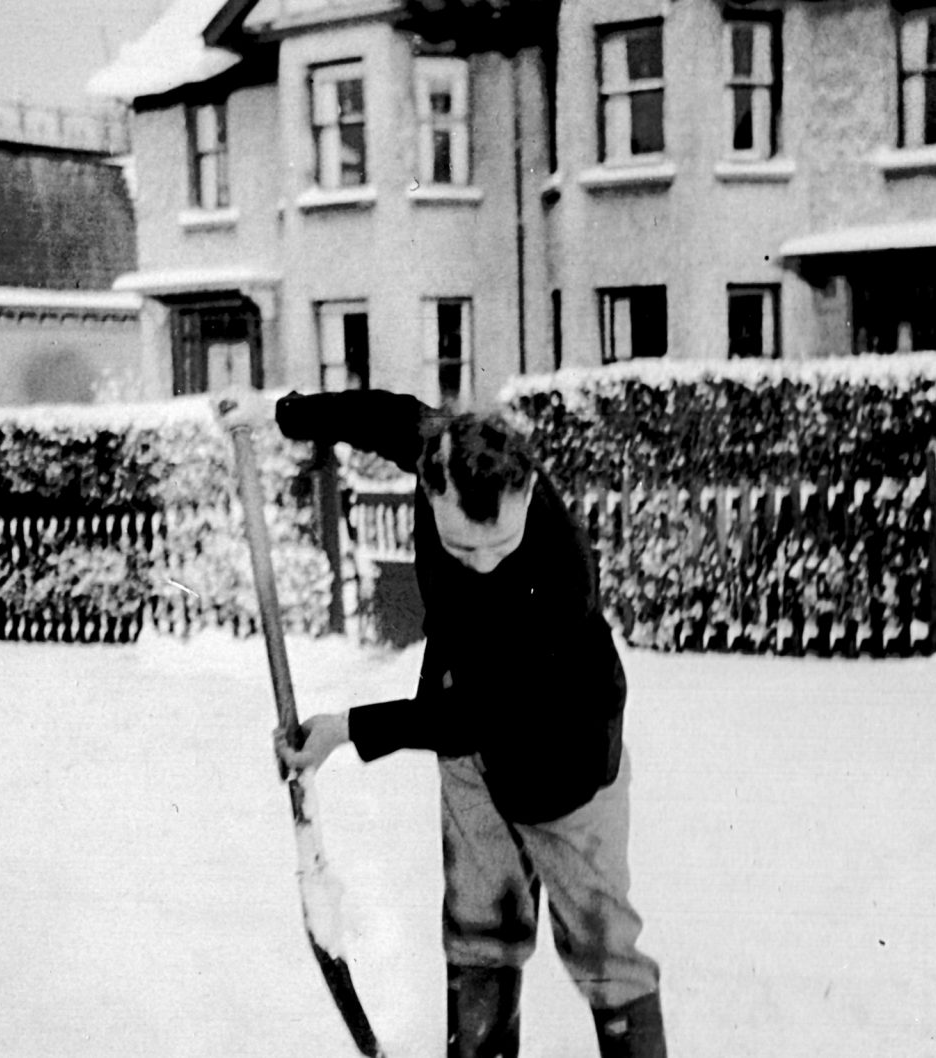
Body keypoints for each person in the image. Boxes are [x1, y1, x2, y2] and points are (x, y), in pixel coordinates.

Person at [225, 387, 666, 1058]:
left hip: (564, 760)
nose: (484, 564)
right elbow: (375, 415)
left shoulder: (563, 576)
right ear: (432, 483)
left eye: (501, 544)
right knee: (480, 928)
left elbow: (487, 712)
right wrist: (276, 414)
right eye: (462, 545)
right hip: (467, 743)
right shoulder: (439, 446)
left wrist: (347, 729)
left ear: (526, 491)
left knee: (604, 948)